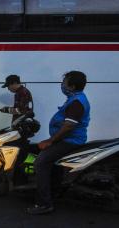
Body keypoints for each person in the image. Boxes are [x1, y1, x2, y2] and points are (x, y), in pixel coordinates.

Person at [27, 71, 90, 215]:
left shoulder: (76, 102)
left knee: (40, 163)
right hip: (67, 139)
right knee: (51, 162)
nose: (62, 85)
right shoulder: (75, 98)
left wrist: (50, 140)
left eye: (64, 82)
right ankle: (54, 191)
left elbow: (68, 126)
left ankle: (44, 203)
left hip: (70, 141)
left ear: (72, 86)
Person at [0, 74, 34, 185]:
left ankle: (21, 179)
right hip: (20, 126)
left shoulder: (23, 92)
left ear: (14, 83)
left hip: (22, 128)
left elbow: (21, 110)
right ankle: (19, 177)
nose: (8, 89)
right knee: (19, 152)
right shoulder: (20, 92)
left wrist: (6, 109)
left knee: (21, 153)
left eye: (8, 86)